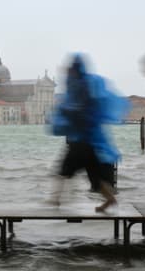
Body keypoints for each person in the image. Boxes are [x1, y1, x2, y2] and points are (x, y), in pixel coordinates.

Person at [50, 54, 129, 212]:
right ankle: (110, 200)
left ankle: (54, 200)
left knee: (63, 170)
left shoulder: (81, 87)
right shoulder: (82, 85)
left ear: (75, 70)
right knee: (95, 177)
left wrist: (65, 112)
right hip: (88, 141)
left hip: (82, 140)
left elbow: (80, 109)